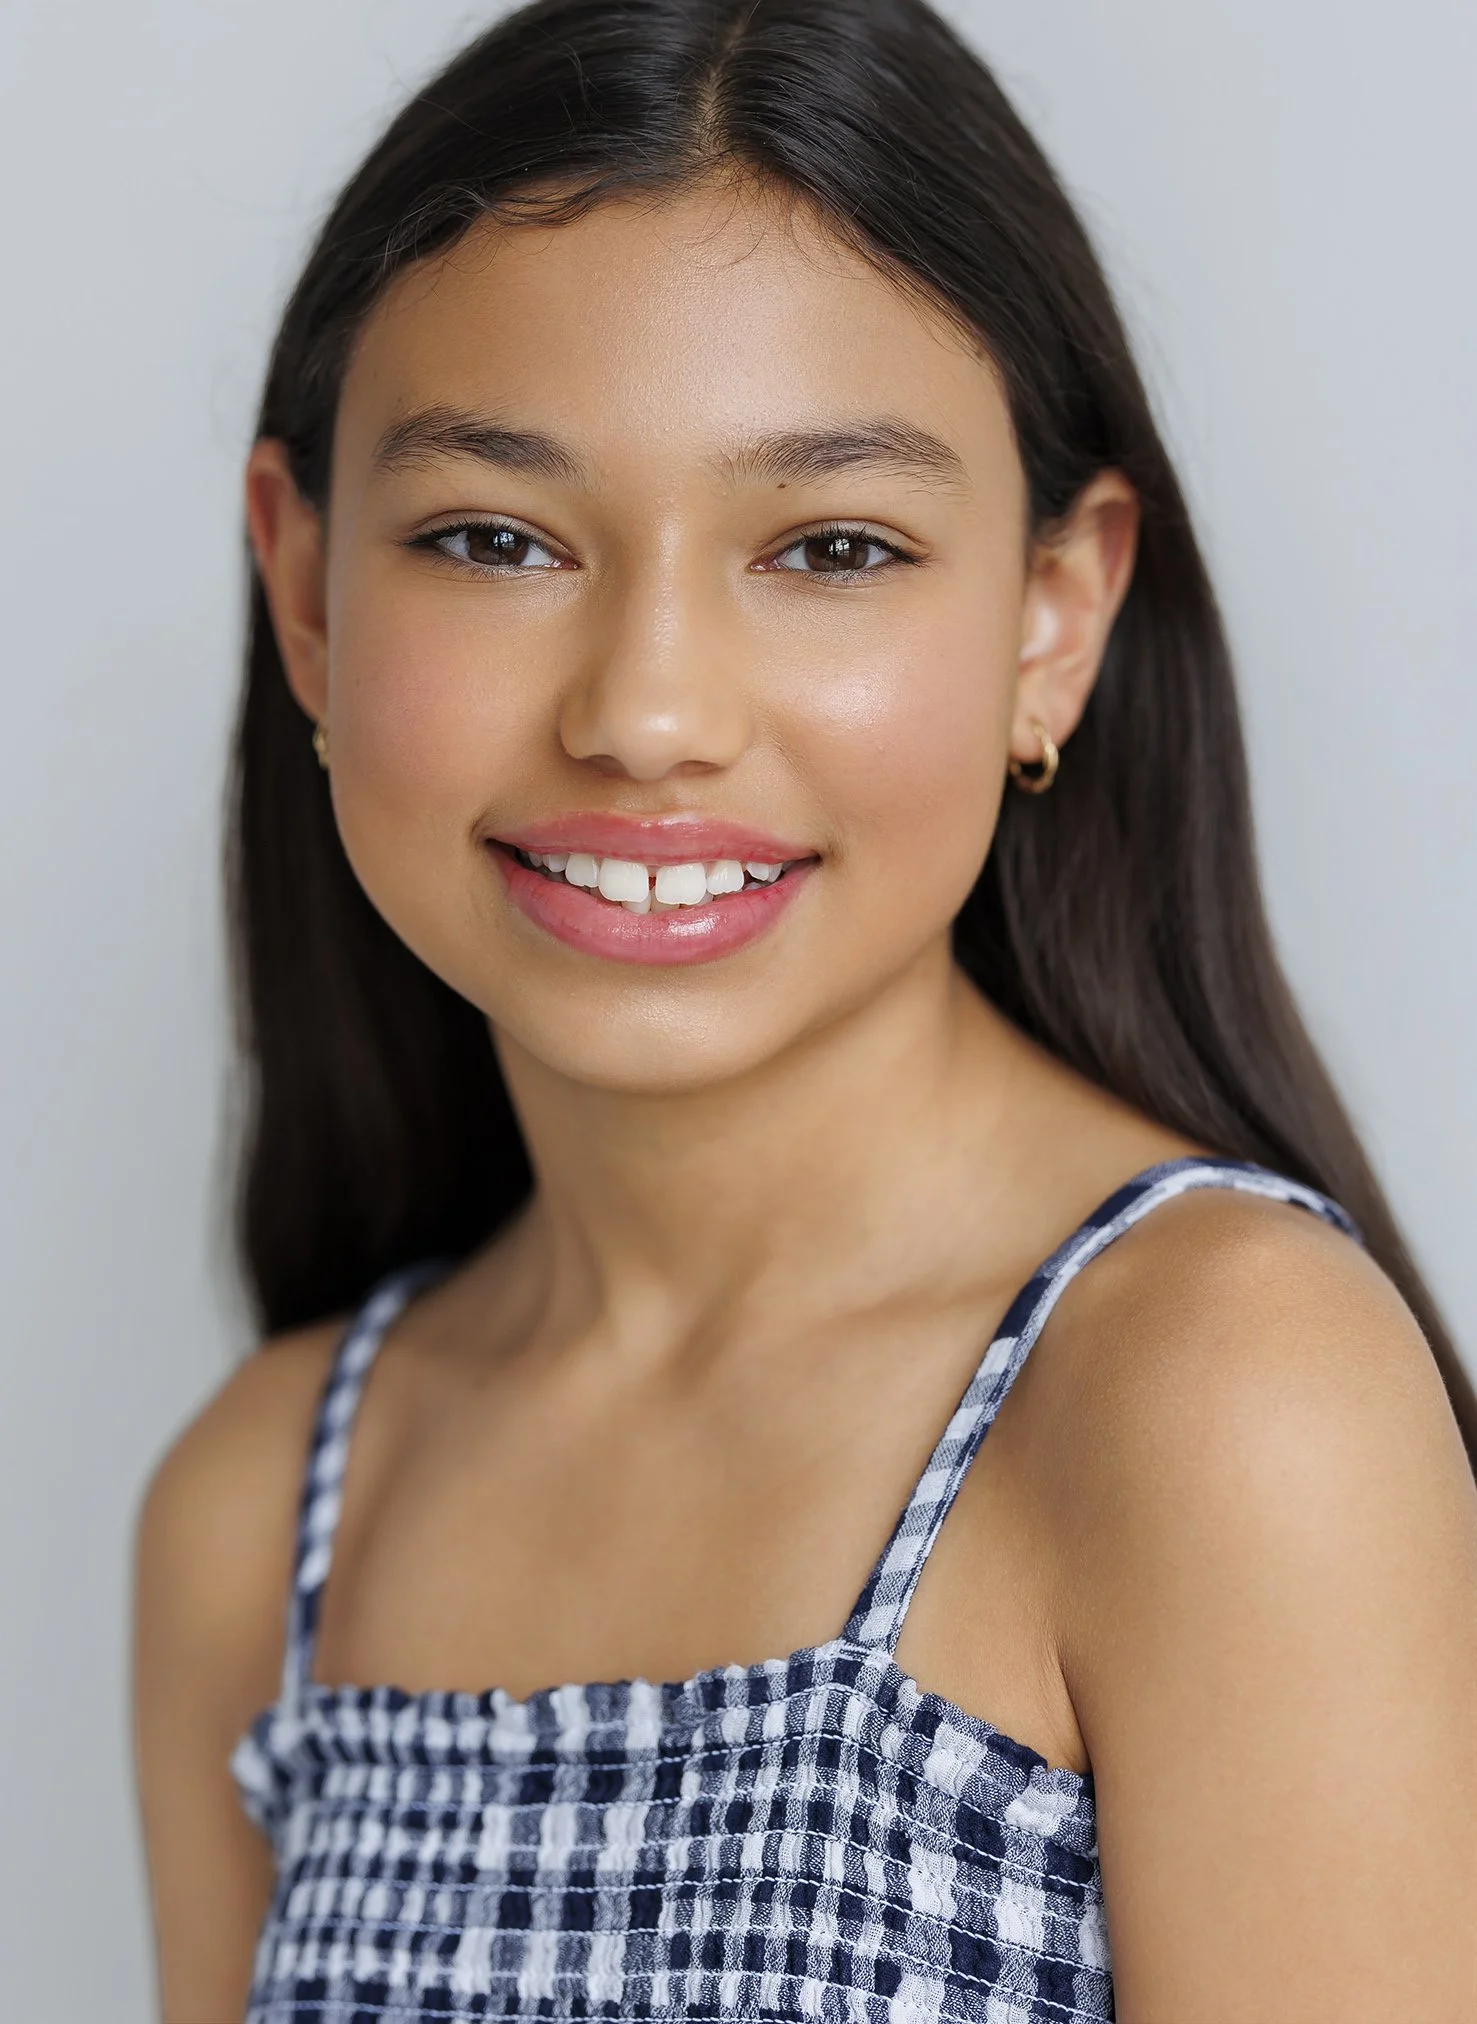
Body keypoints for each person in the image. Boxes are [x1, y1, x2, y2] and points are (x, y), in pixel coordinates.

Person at [132, 2, 1477, 2018]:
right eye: (494, 539)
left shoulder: (1213, 1401)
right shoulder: (263, 1511)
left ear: (1056, 617)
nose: (648, 710)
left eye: (830, 546)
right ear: (308, 594)